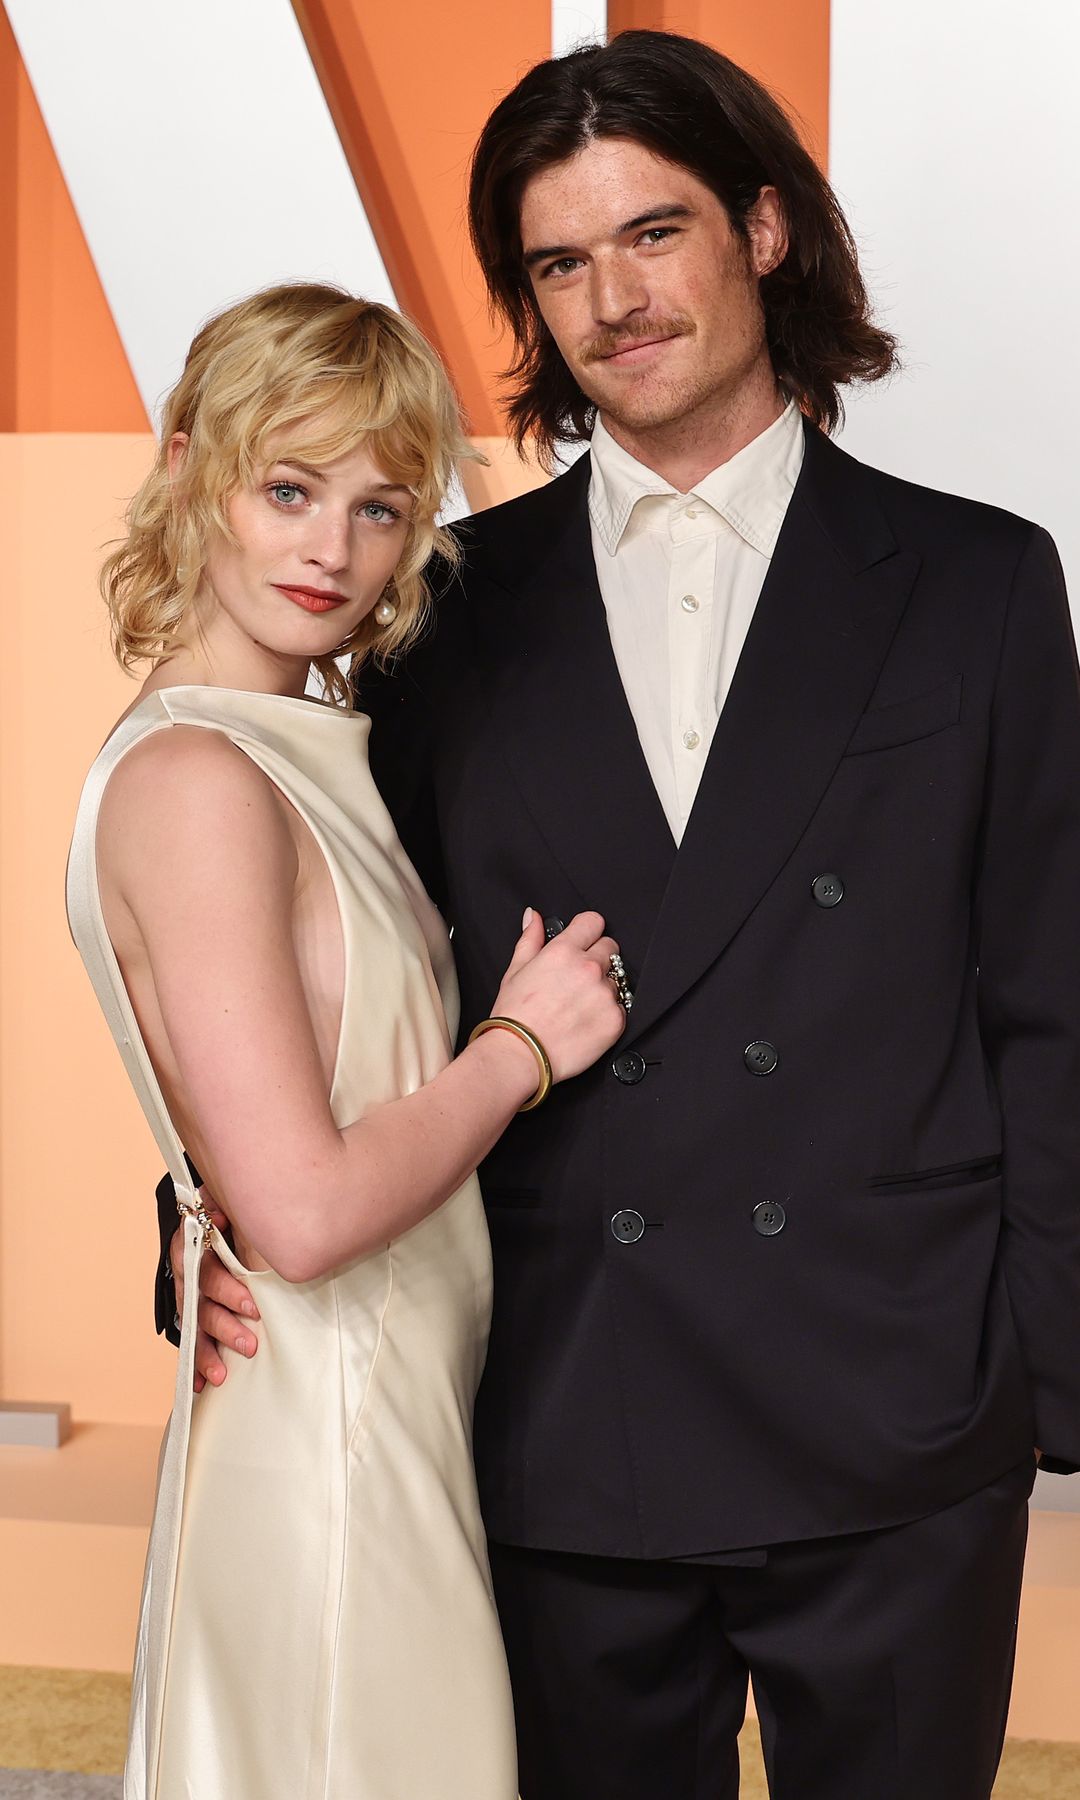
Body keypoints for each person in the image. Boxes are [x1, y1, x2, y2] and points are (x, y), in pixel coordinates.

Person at [172, 32, 1080, 1800]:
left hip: (893, 1412)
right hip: (563, 1408)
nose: (613, 297)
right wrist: (206, 1204)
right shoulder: (438, 599)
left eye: (652, 234)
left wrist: (1046, 1392)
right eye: (559, 263)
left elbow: (1052, 993)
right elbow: (348, 973)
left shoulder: (977, 579)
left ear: (763, 232)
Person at [68, 282, 626, 1800]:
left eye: (382, 508)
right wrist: (519, 1046)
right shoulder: (198, 779)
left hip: (374, 1424)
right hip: (327, 1449)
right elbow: (303, 1215)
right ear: (189, 463)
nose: (334, 550)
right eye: (290, 488)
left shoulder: (292, 747)